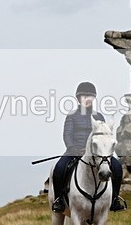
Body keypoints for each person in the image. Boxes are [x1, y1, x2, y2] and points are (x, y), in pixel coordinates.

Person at [51, 81, 126, 214]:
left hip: (97, 153)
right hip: (75, 150)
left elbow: (105, 136)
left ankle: (114, 199)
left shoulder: (98, 116)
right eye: (84, 96)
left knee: (117, 168)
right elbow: (67, 134)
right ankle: (59, 200)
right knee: (59, 169)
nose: (87, 99)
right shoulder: (72, 116)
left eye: (90, 96)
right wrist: (72, 148)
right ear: (79, 99)